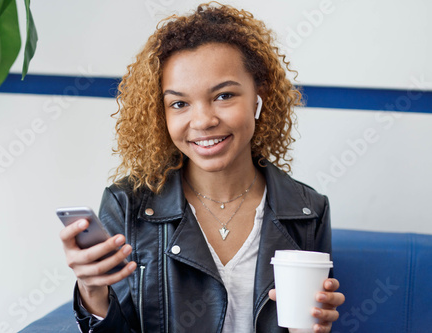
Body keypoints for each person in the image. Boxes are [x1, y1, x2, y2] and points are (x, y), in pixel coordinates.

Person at [60, 2, 345, 332]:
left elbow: (309, 321)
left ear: (258, 96)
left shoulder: (308, 211)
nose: (204, 121)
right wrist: (92, 292)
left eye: (224, 96)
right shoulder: (128, 206)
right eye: (179, 104)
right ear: (161, 113)